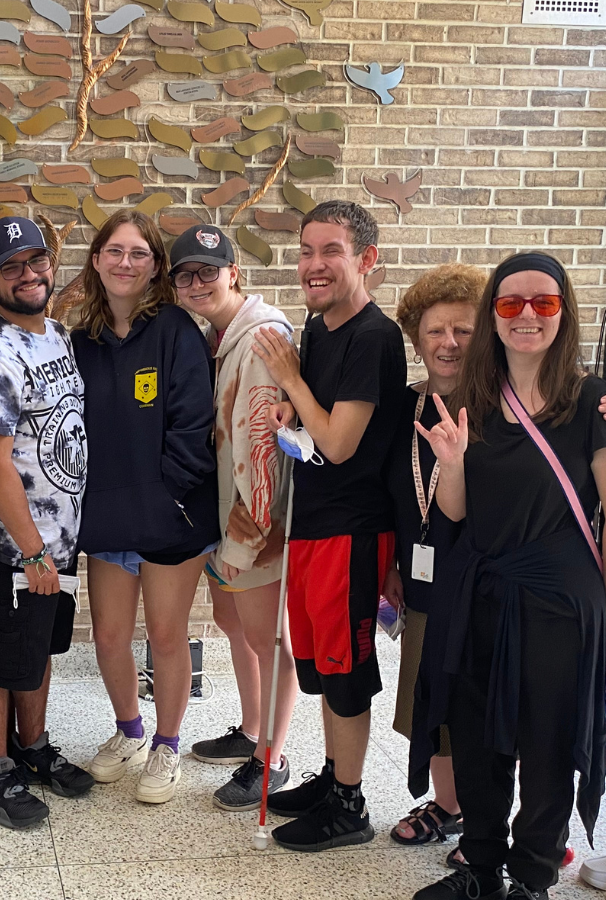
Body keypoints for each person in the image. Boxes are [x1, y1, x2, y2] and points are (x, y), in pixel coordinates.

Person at [413, 252, 606, 900]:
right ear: (493, 314)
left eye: (543, 303)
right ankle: (481, 867)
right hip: (481, 590)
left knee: (548, 746)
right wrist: (453, 460)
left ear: (563, 313)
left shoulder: (590, 400)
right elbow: (458, 510)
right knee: (475, 738)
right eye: (511, 303)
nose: (527, 315)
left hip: (557, 602)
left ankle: (530, 877)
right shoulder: (471, 399)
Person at [252, 199, 406, 851]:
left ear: (366, 260)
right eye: (306, 250)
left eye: (331, 251)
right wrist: (291, 402)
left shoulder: (373, 335)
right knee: (320, 661)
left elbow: (340, 443)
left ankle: (350, 804)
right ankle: (333, 778)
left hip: (353, 529)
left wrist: (287, 376)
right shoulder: (319, 329)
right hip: (314, 524)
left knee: (345, 672)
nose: (313, 264)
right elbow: (315, 423)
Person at [71, 209, 219, 804]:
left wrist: (169, 496)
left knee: (165, 634)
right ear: (98, 259)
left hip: (170, 516)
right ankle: (129, 730)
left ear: (155, 265)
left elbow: (193, 423)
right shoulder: (79, 339)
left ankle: (167, 742)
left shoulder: (178, 330)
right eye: (115, 251)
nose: (125, 262)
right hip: (107, 512)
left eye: (138, 253)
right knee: (108, 635)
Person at [0, 216, 95, 829]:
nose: (30, 273)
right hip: (10, 546)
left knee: (37, 648)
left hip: (56, 543)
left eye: (36, 260)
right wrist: (32, 552)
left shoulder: (56, 334)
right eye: (12, 266)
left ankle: (31, 748)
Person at [170, 225, 298, 812]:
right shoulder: (220, 337)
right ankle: (251, 728)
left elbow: (264, 456)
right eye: (185, 274)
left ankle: (272, 758)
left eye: (208, 271)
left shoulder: (263, 338)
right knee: (234, 623)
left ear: (233, 273)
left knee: (269, 639)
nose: (197, 283)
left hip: (256, 526)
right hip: (227, 519)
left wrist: (246, 541)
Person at [380, 264, 483, 848]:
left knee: (479, 701)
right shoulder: (405, 406)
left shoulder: (503, 406)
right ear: (416, 339)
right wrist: (394, 562)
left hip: (482, 582)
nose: (447, 343)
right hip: (420, 577)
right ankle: (449, 805)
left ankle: (493, 814)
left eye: (463, 331)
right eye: (435, 330)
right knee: (430, 699)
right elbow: (394, 491)